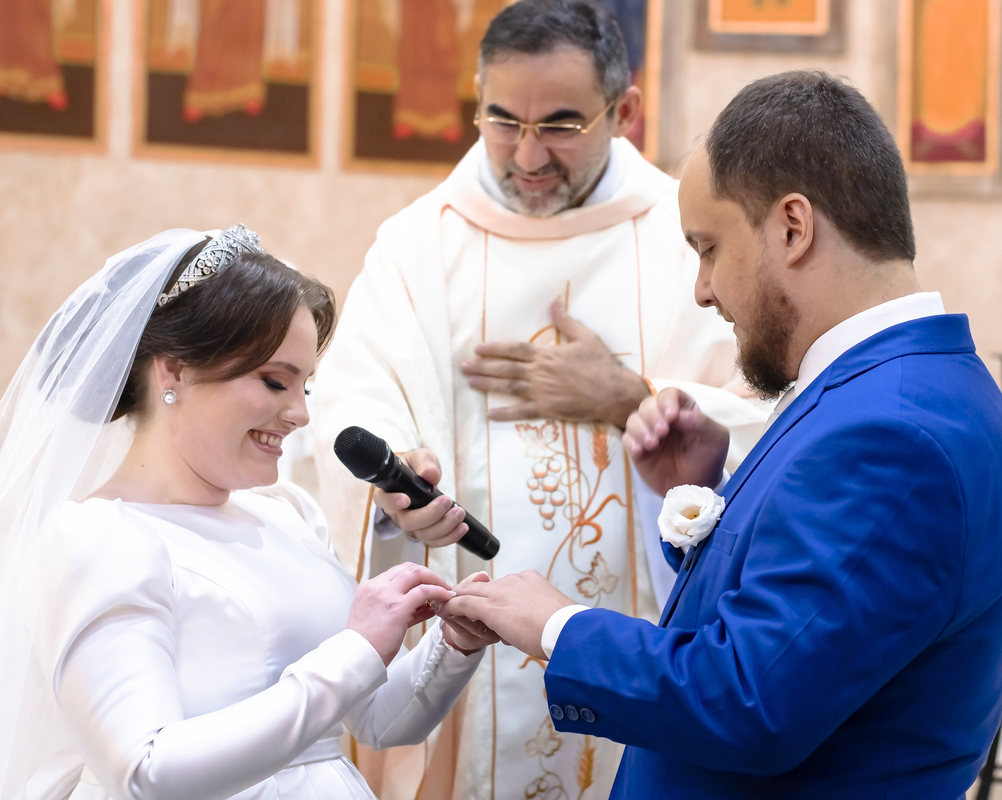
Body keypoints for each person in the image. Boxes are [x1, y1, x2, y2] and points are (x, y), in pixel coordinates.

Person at [442, 71, 1002, 799]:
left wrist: (557, 625)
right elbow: (799, 633)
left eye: (709, 247)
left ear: (792, 226)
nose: (702, 288)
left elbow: (748, 702)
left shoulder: (893, 433)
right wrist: (697, 493)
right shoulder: (901, 389)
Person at [309, 2, 767, 798]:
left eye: (560, 125)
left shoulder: (685, 233)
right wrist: (394, 496)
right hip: (462, 682)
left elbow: (776, 419)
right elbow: (350, 409)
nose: (527, 155)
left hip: (642, 653)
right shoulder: (420, 246)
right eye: (502, 120)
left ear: (623, 112)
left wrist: (635, 397)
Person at [0, 226, 497, 800]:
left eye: (305, 386)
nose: (300, 414)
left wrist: (451, 645)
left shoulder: (289, 515)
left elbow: (376, 722)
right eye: (273, 382)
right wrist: (356, 649)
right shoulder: (100, 537)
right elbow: (145, 770)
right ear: (174, 371)